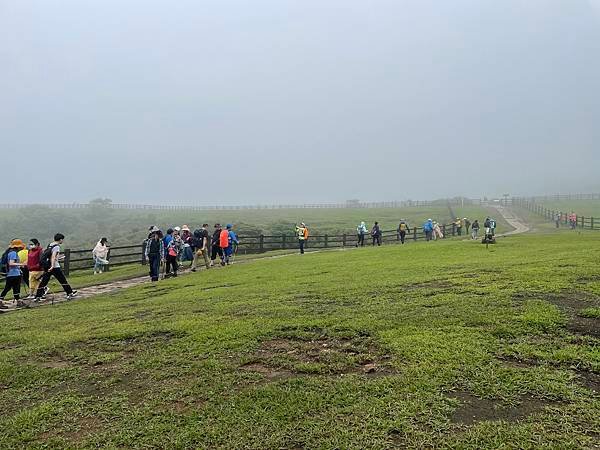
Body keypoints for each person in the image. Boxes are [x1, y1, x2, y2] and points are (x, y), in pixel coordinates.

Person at [34, 234, 77, 301]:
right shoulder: (57, 246)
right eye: (62, 239)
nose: (62, 241)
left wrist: (58, 259)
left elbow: (50, 256)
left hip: (47, 266)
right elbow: (53, 256)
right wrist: (52, 266)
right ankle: (70, 293)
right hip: (54, 267)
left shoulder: (50, 244)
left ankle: (38, 296)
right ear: (60, 239)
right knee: (62, 280)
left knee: (44, 282)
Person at [0, 239, 27, 308]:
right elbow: (11, 263)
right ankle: (18, 301)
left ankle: (18, 301)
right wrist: (21, 264)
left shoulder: (9, 252)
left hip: (11, 274)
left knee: (11, 288)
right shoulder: (13, 253)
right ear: (17, 247)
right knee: (13, 288)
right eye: (20, 247)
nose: (21, 248)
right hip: (14, 274)